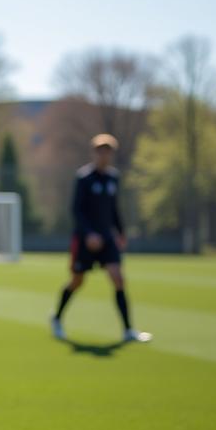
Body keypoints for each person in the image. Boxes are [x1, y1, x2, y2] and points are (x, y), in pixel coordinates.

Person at [50, 133, 151, 343]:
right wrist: (89, 234)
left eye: (107, 150)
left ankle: (128, 329)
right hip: (86, 239)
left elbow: (114, 209)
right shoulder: (84, 178)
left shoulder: (114, 178)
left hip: (107, 238)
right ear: (94, 152)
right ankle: (57, 319)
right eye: (100, 150)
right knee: (77, 281)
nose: (103, 154)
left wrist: (121, 232)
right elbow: (76, 210)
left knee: (118, 278)